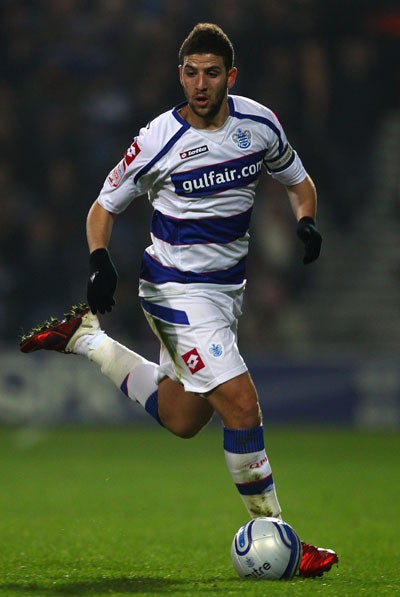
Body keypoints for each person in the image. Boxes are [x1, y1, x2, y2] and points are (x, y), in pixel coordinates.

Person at [20, 23, 337, 577]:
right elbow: (102, 206)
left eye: (211, 73)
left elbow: (299, 181)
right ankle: (279, 535)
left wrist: (306, 223)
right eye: (190, 72)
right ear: (180, 74)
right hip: (174, 290)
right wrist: (100, 261)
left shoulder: (258, 124)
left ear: (230, 77)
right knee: (240, 404)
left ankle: (86, 338)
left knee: (183, 417)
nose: (199, 83)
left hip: (226, 292)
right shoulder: (157, 139)